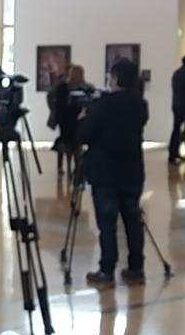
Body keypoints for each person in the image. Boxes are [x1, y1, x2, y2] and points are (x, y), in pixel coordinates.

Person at [79, 61, 149, 287]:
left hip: (106, 173)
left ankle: (107, 270)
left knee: (107, 224)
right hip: (132, 171)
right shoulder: (141, 105)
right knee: (132, 221)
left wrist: (85, 114)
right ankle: (136, 268)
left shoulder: (102, 104)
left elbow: (85, 135)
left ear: (115, 79)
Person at [47, 64, 95, 178]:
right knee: (75, 143)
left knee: (66, 141)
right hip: (75, 119)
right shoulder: (84, 87)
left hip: (65, 119)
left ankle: (65, 167)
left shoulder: (63, 86)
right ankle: (76, 168)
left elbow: (56, 102)